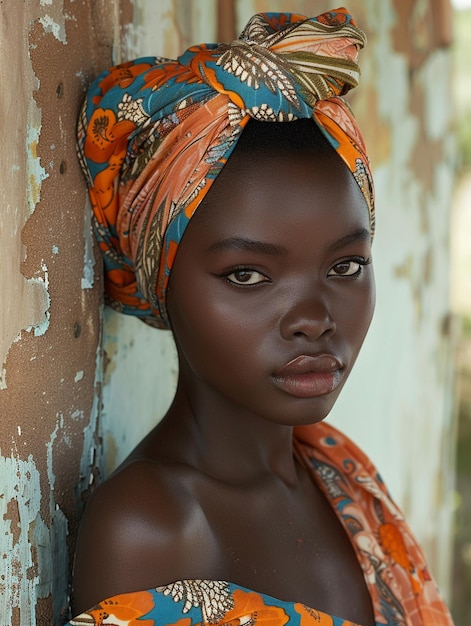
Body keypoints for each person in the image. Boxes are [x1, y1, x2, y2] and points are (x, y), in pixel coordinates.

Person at [69, 9, 454, 626]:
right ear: (163, 281)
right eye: (248, 275)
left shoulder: (338, 474)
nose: (313, 318)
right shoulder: (154, 528)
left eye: (347, 266)